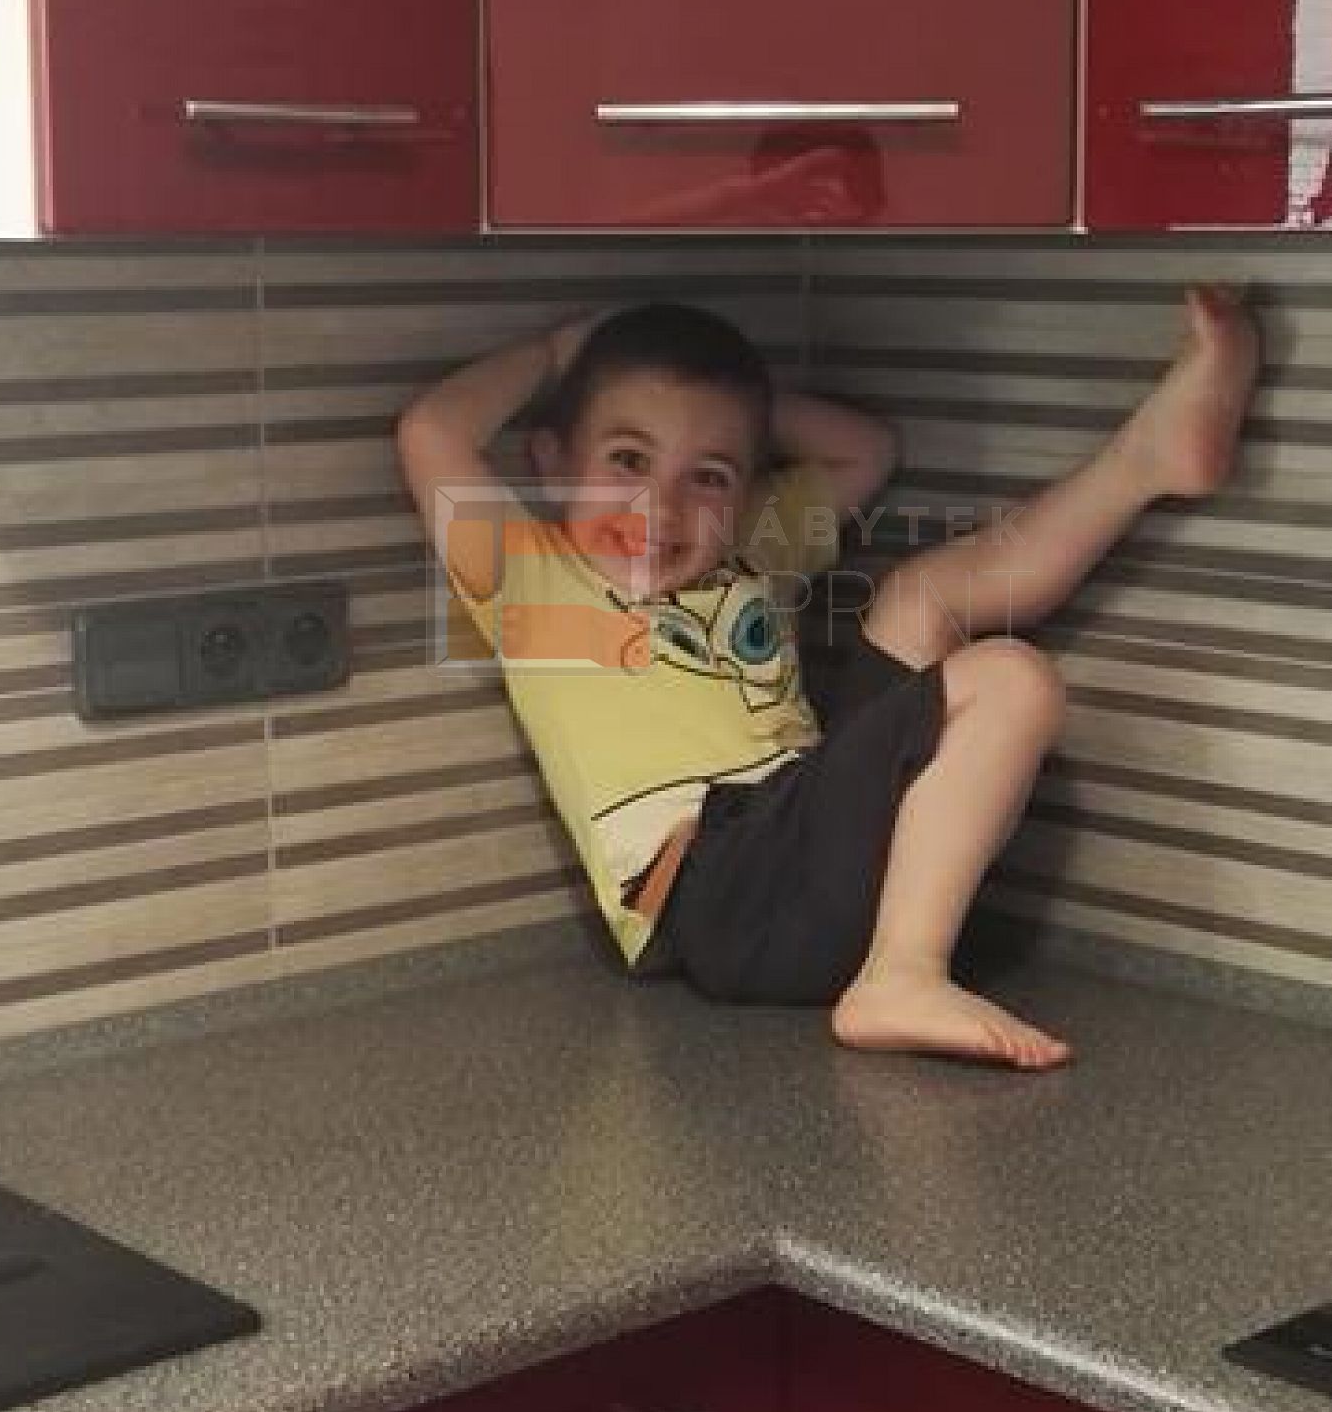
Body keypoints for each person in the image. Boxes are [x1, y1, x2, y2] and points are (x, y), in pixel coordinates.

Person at [395, 289, 1258, 1070]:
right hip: (724, 888)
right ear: (552, 463)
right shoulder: (531, 578)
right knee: (1008, 681)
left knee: (918, 599)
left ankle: (1146, 461)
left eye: (708, 476)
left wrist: (739, 405)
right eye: (627, 460)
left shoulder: (749, 552)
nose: (661, 508)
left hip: (806, 837)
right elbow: (432, 432)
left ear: (743, 493)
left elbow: (866, 451)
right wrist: (563, 353)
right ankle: (901, 976)